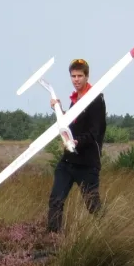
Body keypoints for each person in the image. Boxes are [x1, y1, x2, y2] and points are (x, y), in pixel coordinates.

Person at [47, 58, 106, 233]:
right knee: (56, 200)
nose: (76, 79)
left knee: (93, 206)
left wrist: (77, 141)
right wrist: (59, 110)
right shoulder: (75, 99)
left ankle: (109, 236)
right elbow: (72, 124)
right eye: (73, 76)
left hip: (87, 163)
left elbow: (95, 131)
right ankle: (52, 240)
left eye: (80, 76)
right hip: (68, 161)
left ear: (87, 76)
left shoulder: (96, 100)